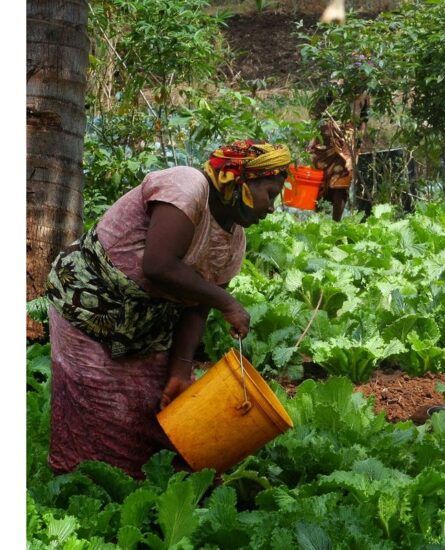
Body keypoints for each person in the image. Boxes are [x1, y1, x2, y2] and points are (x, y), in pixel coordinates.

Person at [44, 139, 291, 478]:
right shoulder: (187, 188)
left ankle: (139, 494)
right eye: (271, 193)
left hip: (144, 327)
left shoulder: (234, 242)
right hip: (88, 307)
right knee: (99, 412)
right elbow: (158, 265)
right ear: (240, 181)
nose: (272, 207)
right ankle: (79, 495)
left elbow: (195, 309)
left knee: (153, 413)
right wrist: (228, 303)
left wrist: (179, 371)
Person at [308, 85, 370, 221]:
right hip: (328, 139)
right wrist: (318, 133)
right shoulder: (336, 86)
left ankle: (336, 224)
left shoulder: (365, 90)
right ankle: (317, 223)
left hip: (348, 142)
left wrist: (358, 141)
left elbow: (364, 118)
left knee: (342, 182)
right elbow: (315, 112)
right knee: (320, 181)